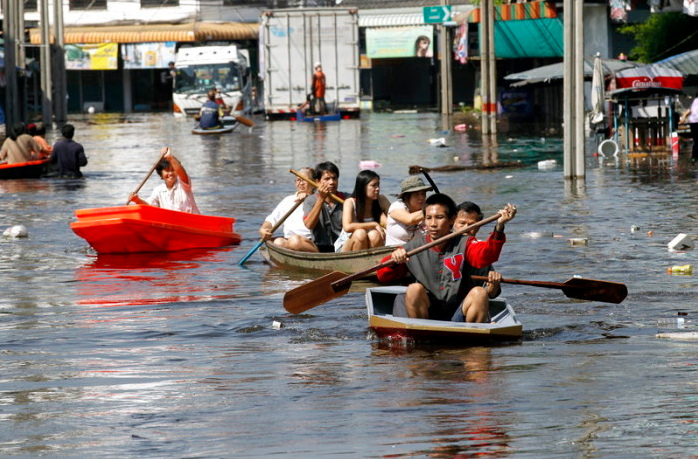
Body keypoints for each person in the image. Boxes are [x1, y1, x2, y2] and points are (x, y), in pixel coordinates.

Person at [376, 193, 517, 323]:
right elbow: (382, 276)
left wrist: (499, 227)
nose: (433, 224)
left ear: (451, 220)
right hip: (426, 314)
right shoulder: (413, 247)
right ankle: (422, 338)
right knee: (414, 289)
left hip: (458, 314)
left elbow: (485, 256)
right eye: (428, 218)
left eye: (439, 218)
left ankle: (473, 344)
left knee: (479, 293)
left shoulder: (465, 242)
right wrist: (394, 261)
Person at [258, 167, 317, 251]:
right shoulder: (288, 200)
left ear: (314, 183)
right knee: (278, 242)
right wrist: (263, 230)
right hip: (289, 242)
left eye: (304, 180)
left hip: (309, 243)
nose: (301, 183)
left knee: (295, 240)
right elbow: (271, 220)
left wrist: (307, 198)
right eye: (298, 180)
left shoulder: (318, 200)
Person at [454, 200, 502, 301]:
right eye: (462, 223)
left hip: (469, 303)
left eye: (471, 224)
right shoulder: (442, 244)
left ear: (478, 227)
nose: (466, 228)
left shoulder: (480, 250)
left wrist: (493, 285)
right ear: (453, 222)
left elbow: (491, 294)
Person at [129, 147, 200, 214]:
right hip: (172, 224)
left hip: (192, 222)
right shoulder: (159, 190)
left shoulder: (183, 184)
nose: (171, 173)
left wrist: (170, 157)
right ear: (161, 173)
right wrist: (137, 200)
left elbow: (181, 172)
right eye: (167, 171)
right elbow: (149, 206)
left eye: (173, 170)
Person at [335, 170, 391, 252]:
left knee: (374, 234)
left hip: (372, 243)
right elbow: (347, 227)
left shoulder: (381, 199)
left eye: (378, 185)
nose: (377, 189)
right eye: (373, 185)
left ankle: (371, 263)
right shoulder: (350, 202)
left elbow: (393, 218)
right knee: (360, 233)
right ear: (362, 187)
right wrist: (374, 224)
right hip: (347, 246)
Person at [300, 161, 346, 253]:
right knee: (295, 241)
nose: (332, 182)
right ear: (317, 182)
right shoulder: (310, 200)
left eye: (334, 178)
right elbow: (309, 225)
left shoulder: (347, 199)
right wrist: (320, 199)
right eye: (327, 179)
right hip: (320, 247)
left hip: (343, 247)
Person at [385, 176, 432, 246]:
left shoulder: (426, 208)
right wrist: (433, 209)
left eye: (423, 194)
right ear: (407, 197)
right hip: (395, 252)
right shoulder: (396, 206)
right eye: (416, 195)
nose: (421, 198)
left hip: (419, 251)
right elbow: (409, 219)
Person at [679, 95, 698, 162]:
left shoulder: (695, 101)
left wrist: (683, 118)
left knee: (696, 141)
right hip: (694, 122)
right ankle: (694, 157)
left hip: (693, 123)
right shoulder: (695, 101)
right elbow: (689, 110)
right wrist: (684, 118)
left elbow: (688, 111)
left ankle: (694, 158)